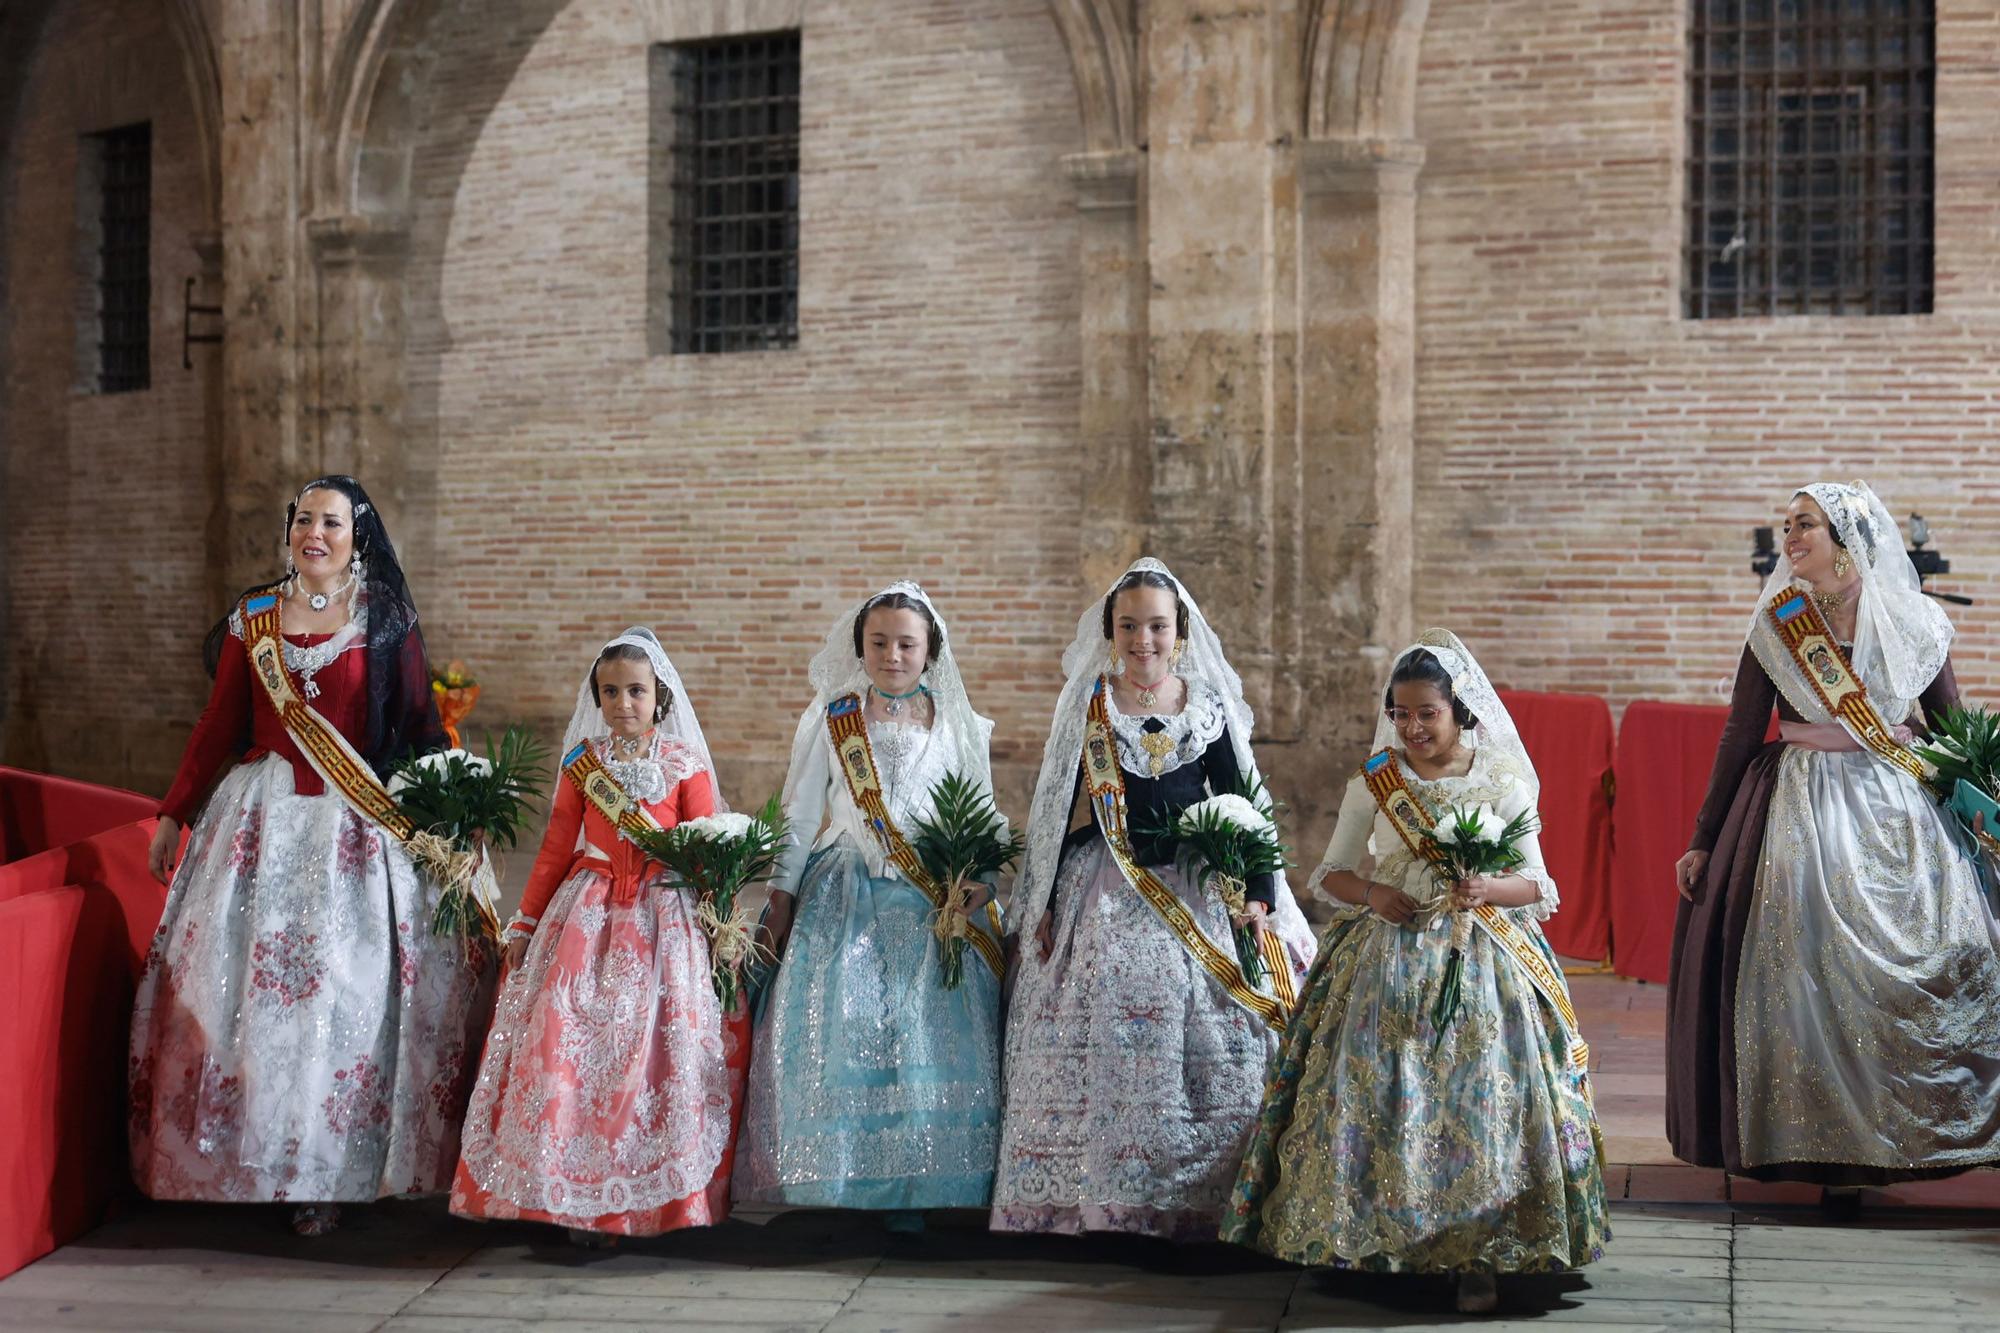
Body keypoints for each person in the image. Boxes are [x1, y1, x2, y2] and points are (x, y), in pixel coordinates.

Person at [129, 476, 493, 1236]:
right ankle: (251, 1162)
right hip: (260, 830)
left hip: (357, 832)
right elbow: (218, 721)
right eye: (303, 520)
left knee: (344, 999)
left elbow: (424, 724)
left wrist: (456, 811)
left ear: (357, 536)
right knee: (250, 1000)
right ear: (288, 529)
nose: (314, 533)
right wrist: (174, 810)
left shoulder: (384, 617)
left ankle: (333, 1172)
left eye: (331, 521)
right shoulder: (254, 618)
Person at [1222, 631, 1607, 1314]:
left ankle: (1480, 1254)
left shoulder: (1500, 780)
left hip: (1484, 956)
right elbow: (1331, 872)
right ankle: (1372, 1238)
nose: (1413, 726)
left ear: (1460, 710)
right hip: (1387, 953)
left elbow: (1538, 883)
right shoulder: (1374, 781)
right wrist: (1373, 894)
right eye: (1401, 713)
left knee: (1481, 1097)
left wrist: (1485, 888)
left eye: (1427, 711)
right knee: (1381, 1089)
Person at [1668, 481, 2000, 1203]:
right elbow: (1738, 734)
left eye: (1805, 523)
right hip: (1799, 810)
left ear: (1845, 538)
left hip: (1900, 811)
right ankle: (1831, 1155)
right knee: (1805, 972)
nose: (1789, 534)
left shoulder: (1915, 622)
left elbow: (1948, 727)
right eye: (1785, 524)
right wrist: (1704, 836)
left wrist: (1987, 811)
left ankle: (1908, 1132)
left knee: (1928, 961)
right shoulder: (1778, 621)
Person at [991, 557, 1315, 1241]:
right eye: (1130, 625)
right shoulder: (1091, 703)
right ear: (1110, 630)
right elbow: (1054, 808)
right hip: (1105, 881)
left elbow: (1239, 800)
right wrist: (1042, 904)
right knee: (1108, 987)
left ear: (1180, 631)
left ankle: (1202, 1195)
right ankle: (1103, 1196)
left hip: (1196, 883)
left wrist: (1258, 895)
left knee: (1212, 1011)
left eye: (1158, 626)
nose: (1144, 639)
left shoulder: (1205, 705)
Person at [451, 628, 746, 1243]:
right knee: (570, 1045)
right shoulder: (583, 763)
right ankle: (569, 1193)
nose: (623, 703)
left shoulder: (682, 763)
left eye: (636, 691)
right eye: (609, 691)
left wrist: (720, 925)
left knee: (647, 1054)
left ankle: (644, 1199)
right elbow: (558, 844)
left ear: (659, 696)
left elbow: (706, 845)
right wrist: (526, 922)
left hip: (665, 920)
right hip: (585, 916)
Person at [732, 583, 1006, 1226]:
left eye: (906, 643)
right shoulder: (833, 715)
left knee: (923, 1037)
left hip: (930, 901)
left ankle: (924, 1183)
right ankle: (839, 1182)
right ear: (860, 646)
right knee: (844, 1028)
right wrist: (779, 899)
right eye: (878, 642)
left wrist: (985, 882)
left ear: (929, 649)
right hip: (846, 891)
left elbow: (983, 811)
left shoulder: (959, 721)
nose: (892, 654)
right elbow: (800, 819)